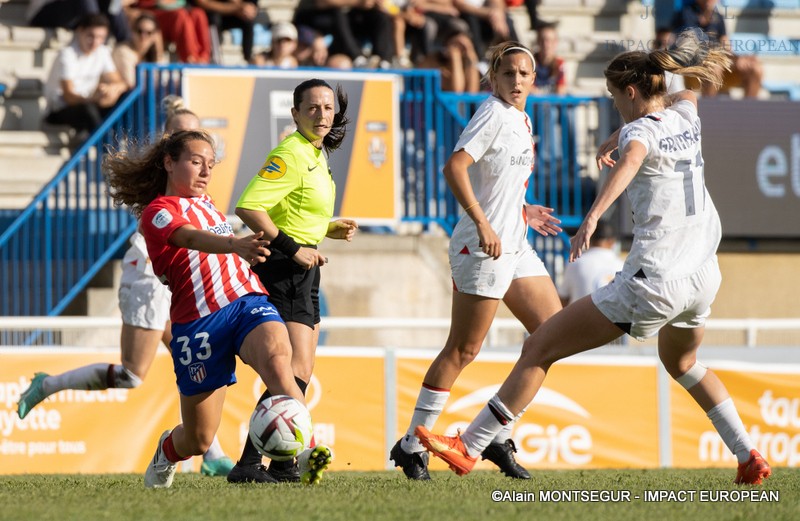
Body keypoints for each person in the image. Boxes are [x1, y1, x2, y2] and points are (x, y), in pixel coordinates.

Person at [415, 30, 772, 486]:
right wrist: (623, 128)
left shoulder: (638, 134)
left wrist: (592, 216)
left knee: (539, 346)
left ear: (628, 91)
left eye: (612, 96)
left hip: (652, 281)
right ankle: (747, 454)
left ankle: (470, 444)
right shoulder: (686, 116)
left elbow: (630, 160)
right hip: (702, 276)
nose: (614, 104)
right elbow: (685, 93)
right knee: (683, 363)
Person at [17, 96, 237, 478]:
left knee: (192, 358)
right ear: (171, 147)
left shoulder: (195, 185)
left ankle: (210, 452)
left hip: (180, 279)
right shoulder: (166, 186)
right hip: (151, 277)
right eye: (187, 140)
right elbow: (174, 232)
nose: (201, 159)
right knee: (133, 374)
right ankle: (48, 384)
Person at [103, 128, 332, 488]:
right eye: (196, 162)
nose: (206, 171)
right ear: (168, 163)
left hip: (245, 302)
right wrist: (235, 246)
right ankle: (166, 451)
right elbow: (189, 238)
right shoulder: (158, 213)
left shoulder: (209, 203)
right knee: (199, 439)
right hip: (198, 323)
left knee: (278, 360)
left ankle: (306, 452)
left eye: (210, 164)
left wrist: (322, 228)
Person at [390, 41, 563, 481]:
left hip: (515, 241)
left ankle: (493, 434)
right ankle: (412, 444)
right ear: (494, 78)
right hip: (482, 244)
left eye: (525, 73)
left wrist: (522, 210)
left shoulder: (521, 117)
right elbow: (455, 167)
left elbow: (497, 183)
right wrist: (484, 224)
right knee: (464, 348)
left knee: (553, 333)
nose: (518, 80)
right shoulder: (492, 112)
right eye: (509, 74)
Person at [231, 79, 358, 483]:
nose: (322, 115)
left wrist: (328, 228)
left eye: (327, 108)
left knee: (299, 368)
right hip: (283, 268)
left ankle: (279, 462)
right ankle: (253, 463)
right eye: (313, 108)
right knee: (289, 369)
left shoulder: (315, 154)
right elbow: (250, 207)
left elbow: (292, 209)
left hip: (304, 268)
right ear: (296, 114)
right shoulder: (290, 153)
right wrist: (293, 248)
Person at [43, 13, 128, 134]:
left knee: (125, 99)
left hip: (88, 105)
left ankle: (119, 143)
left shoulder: (102, 52)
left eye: (100, 37)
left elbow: (120, 82)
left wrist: (111, 90)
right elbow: (69, 96)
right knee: (89, 110)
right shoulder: (67, 54)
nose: (95, 42)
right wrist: (94, 99)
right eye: (91, 36)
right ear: (80, 31)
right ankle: (106, 149)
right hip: (59, 110)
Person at [668, 0, 762, 98]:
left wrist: (739, 59)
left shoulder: (718, 17)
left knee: (754, 68)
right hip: (691, 68)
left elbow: (726, 46)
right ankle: (710, 109)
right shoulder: (686, 14)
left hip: (718, 63)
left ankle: (748, 110)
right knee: (714, 68)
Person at [292, 0, 395, 68]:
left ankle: (384, 61)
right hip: (315, 23)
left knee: (381, 17)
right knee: (339, 15)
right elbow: (322, 2)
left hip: (348, 25)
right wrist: (357, 2)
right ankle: (358, 59)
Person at [557, 220, 623, 306]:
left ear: (588, 238)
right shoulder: (622, 265)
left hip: (581, 317)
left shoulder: (575, 262)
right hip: (614, 318)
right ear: (612, 241)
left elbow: (562, 300)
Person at [129, 0, 212, 63]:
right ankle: (190, 60)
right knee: (180, 15)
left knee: (198, 14)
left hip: (174, 10)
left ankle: (203, 59)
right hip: (151, 14)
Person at [26, 0, 131, 44]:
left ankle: (126, 47)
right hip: (42, 13)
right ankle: (93, 37)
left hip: (79, 13)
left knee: (113, 1)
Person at [418, 21, 480, 93]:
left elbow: (472, 93)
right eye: (456, 45)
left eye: (464, 47)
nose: (459, 49)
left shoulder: (468, 64)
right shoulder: (434, 60)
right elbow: (457, 92)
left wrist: (471, 55)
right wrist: (455, 58)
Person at [190, 0, 259, 62]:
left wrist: (245, 8)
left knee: (248, 20)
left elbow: (251, 8)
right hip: (210, 15)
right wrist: (235, 8)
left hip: (233, 14)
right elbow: (203, 3)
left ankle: (248, 58)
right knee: (214, 18)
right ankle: (215, 58)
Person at [112, 12, 165, 89]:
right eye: (139, 31)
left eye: (149, 33)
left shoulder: (154, 54)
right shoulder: (122, 51)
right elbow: (131, 83)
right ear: (132, 31)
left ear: (155, 36)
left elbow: (163, 80)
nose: (143, 36)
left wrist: (158, 50)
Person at [532, 21, 566, 95]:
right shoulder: (530, 62)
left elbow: (561, 91)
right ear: (537, 41)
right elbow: (528, 88)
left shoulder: (559, 63)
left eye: (550, 40)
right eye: (542, 40)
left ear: (556, 42)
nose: (546, 44)